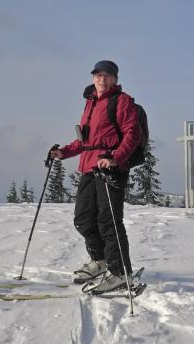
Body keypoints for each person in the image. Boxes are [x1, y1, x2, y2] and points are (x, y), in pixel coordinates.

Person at [49, 60, 140, 293]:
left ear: (115, 79)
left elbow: (132, 134)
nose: (102, 79)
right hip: (89, 167)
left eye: (107, 76)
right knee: (83, 218)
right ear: (92, 78)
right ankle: (100, 261)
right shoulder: (90, 103)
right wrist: (63, 153)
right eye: (98, 75)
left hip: (110, 168)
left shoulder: (122, 101)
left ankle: (120, 272)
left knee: (108, 220)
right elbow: (85, 141)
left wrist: (115, 158)